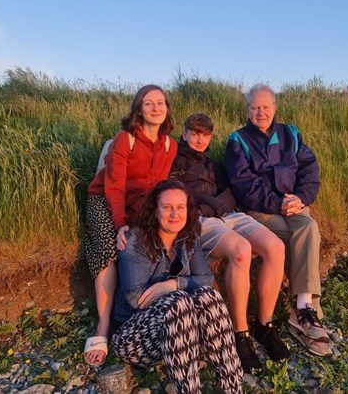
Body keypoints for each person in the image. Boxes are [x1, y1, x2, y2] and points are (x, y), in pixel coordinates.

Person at [170, 113, 289, 372]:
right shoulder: (173, 160)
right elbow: (179, 195)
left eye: (206, 134)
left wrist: (217, 205)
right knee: (241, 250)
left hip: (228, 215)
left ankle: (264, 325)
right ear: (184, 133)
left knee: (276, 248)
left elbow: (231, 193)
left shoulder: (215, 165)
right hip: (198, 219)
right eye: (195, 133)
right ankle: (240, 332)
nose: (200, 139)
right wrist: (210, 205)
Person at [225, 84, 332, 357]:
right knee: (292, 238)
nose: (261, 112)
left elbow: (310, 169)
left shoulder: (291, 134)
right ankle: (306, 313)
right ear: (247, 110)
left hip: (294, 206)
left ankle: (303, 307)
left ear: (275, 108)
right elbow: (243, 184)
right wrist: (277, 203)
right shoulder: (237, 140)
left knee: (308, 226)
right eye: (255, 107)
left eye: (266, 107)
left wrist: (302, 198)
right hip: (260, 211)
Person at [111, 180, 244, 393]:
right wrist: (177, 294)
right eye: (167, 207)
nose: (175, 214)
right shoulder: (135, 241)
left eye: (180, 207)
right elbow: (137, 299)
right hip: (133, 340)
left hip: (177, 338)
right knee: (179, 302)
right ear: (154, 211)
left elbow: (206, 278)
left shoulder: (188, 237)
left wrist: (172, 284)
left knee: (209, 295)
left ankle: (233, 387)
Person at [83, 85, 177, 366]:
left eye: (161, 103)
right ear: (139, 109)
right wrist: (121, 223)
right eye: (149, 103)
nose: (156, 108)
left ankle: (141, 314)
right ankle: (102, 326)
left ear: (167, 109)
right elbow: (114, 185)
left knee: (150, 244)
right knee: (110, 247)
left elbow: (158, 188)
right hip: (104, 200)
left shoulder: (170, 145)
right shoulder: (126, 139)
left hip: (141, 207)